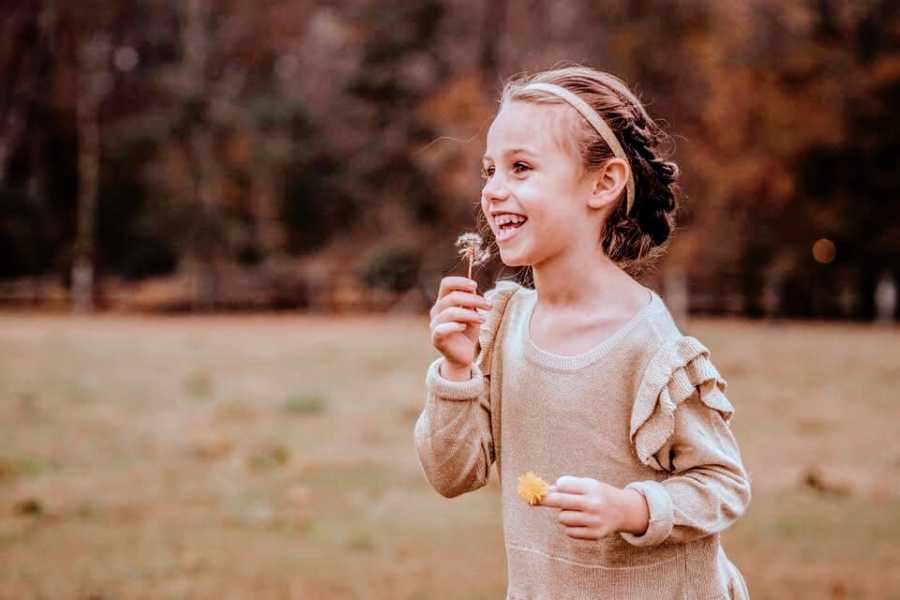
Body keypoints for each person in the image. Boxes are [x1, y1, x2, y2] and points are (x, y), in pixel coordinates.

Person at [414, 65, 752, 599]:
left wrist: (632, 508)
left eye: (520, 168)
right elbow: (452, 475)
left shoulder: (652, 347)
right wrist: (457, 369)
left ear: (603, 183)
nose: (494, 191)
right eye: (489, 171)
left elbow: (724, 485)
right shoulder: (501, 326)